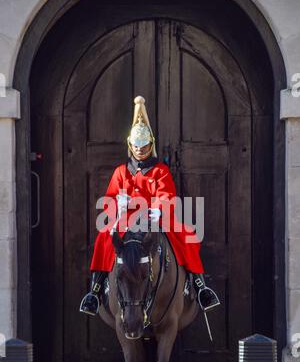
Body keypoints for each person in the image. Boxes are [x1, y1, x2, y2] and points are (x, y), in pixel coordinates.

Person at [80, 96, 220, 317]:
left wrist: (157, 209)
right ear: (130, 145)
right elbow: (110, 199)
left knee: (187, 234)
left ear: (151, 145)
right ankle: (95, 291)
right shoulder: (121, 171)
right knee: (104, 238)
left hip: (155, 216)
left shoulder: (160, 170)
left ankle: (200, 286)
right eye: (136, 146)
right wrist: (119, 205)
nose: (140, 150)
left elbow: (166, 194)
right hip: (128, 218)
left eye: (144, 147)